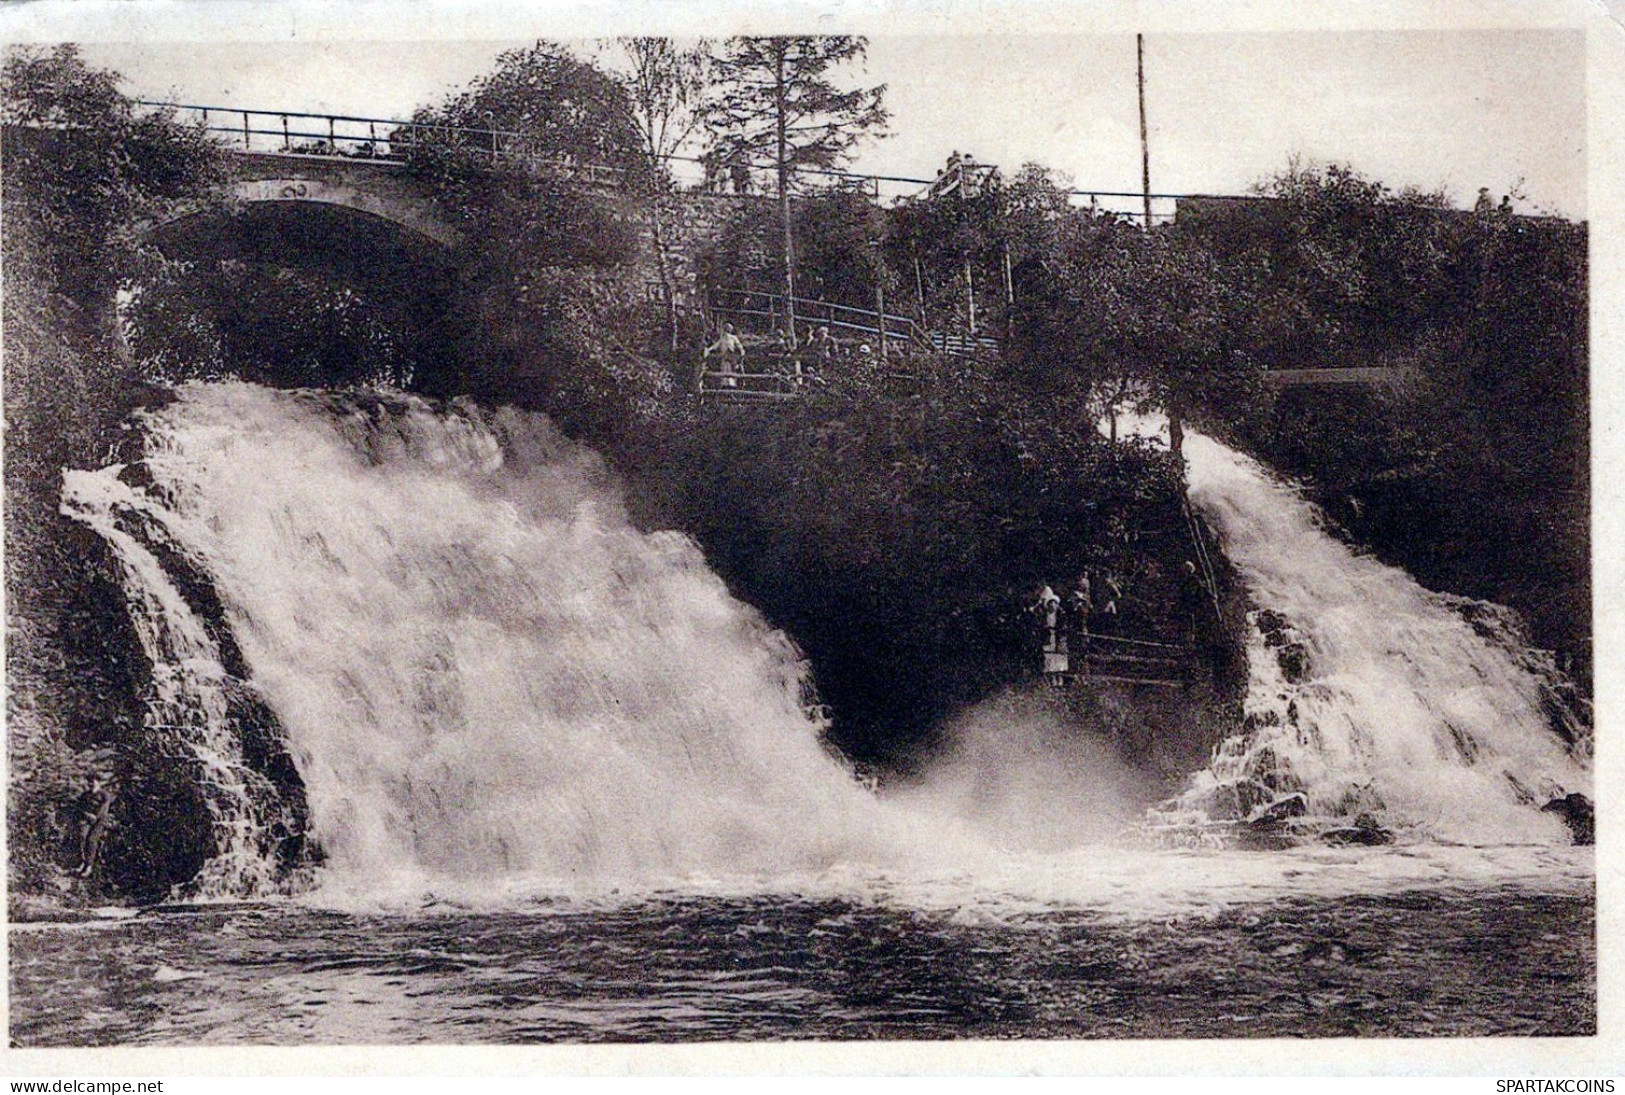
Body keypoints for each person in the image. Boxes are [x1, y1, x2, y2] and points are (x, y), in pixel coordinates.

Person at [75, 773, 116, 878]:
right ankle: (82, 862)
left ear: (98, 782)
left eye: (93, 781)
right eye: (89, 781)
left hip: (99, 821)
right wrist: (86, 814)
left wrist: (95, 817)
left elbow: (103, 809)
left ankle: (89, 865)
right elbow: (79, 807)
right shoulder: (85, 795)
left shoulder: (104, 795)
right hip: (88, 819)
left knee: (92, 840)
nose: (90, 784)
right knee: (82, 836)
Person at [700, 322, 745, 390]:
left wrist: (741, 351)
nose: (727, 330)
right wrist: (709, 350)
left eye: (728, 328)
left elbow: (739, 345)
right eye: (726, 328)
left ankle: (732, 384)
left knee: (731, 369)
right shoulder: (722, 338)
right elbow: (716, 345)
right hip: (724, 356)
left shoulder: (733, 338)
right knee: (724, 369)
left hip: (730, 356)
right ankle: (725, 384)